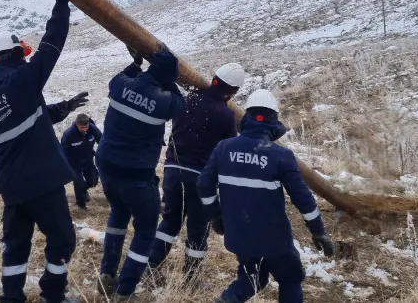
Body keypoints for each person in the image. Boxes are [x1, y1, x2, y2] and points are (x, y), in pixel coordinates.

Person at [0, 0, 90, 303]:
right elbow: (51, 46)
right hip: (40, 182)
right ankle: (53, 295)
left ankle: (11, 298)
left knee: (16, 244)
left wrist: (66, 107)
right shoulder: (21, 81)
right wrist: (61, 2)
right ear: (13, 54)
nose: (26, 58)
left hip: (12, 186)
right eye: (21, 53)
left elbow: (32, 117)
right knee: (63, 239)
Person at [197, 89, 336, 303]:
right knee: (290, 278)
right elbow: (304, 200)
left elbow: (204, 185)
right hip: (274, 240)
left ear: (247, 117)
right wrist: (318, 232)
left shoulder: (223, 148)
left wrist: (216, 217)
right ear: (274, 120)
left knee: (252, 279)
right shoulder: (281, 156)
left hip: (238, 236)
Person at [96, 45, 186, 302]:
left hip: (106, 164)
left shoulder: (120, 84)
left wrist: (136, 65)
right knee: (146, 230)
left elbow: (120, 78)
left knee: (118, 213)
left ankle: (107, 274)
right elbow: (180, 102)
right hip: (136, 172)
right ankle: (125, 291)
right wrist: (172, 81)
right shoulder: (166, 101)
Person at [148, 62, 246, 282]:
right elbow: (227, 150)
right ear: (232, 91)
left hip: (173, 170)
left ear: (214, 79)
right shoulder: (226, 115)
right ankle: (192, 279)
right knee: (198, 229)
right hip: (200, 178)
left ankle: (150, 264)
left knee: (169, 222)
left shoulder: (187, 100)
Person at [61, 113, 103, 210]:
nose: (84, 129)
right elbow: (63, 152)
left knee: (93, 181)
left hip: (88, 160)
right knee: (78, 183)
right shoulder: (68, 135)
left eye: (86, 127)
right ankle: (81, 205)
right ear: (77, 124)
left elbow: (102, 141)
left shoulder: (93, 129)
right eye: (82, 127)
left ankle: (83, 191)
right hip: (74, 163)